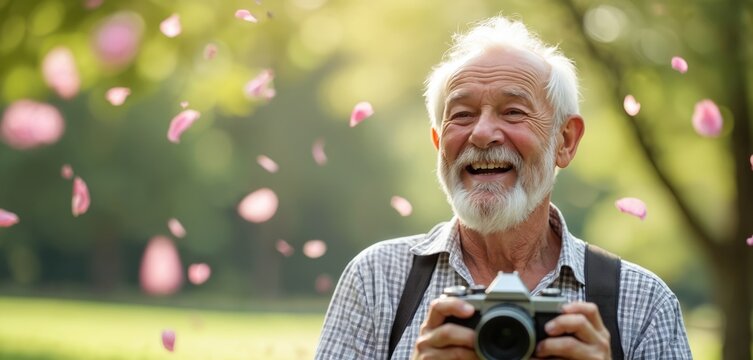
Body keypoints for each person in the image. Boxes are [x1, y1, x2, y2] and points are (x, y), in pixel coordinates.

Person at [315, 15, 692, 360]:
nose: (481, 133)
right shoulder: (377, 280)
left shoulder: (643, 303)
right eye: (462, 115)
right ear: (438, 143)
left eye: (513, 112)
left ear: (565, 141)